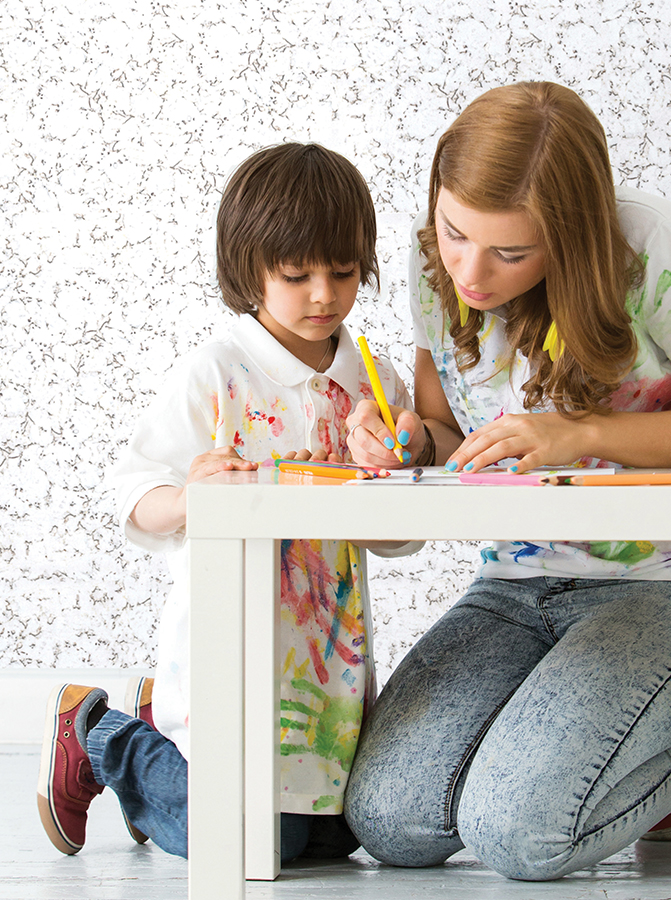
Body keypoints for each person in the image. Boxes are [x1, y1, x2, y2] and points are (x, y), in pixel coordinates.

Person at [342, 82, 671, 880]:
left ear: (569, 239)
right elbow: (447, 436)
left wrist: (582, 433)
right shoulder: (435, 263)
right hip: (512, 585)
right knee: (391, 822)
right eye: (456, 232)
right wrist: (408, 442)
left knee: (518, 836)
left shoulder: (651, 248)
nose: (470, 272)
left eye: (511, 254)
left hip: (660, 585)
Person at [37, 142, 419, 861]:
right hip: (227, 658)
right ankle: (98, 734)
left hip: (328, 672)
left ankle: (157, 745)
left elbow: (400, 540)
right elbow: (133, 496)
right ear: (249, 269)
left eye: (343, 272)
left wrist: (392, 473)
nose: (324, 296)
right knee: (253, 844)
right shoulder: (217, 372)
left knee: (334, 840)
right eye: (296, 275)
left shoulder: (373, 380)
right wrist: (193, 498)